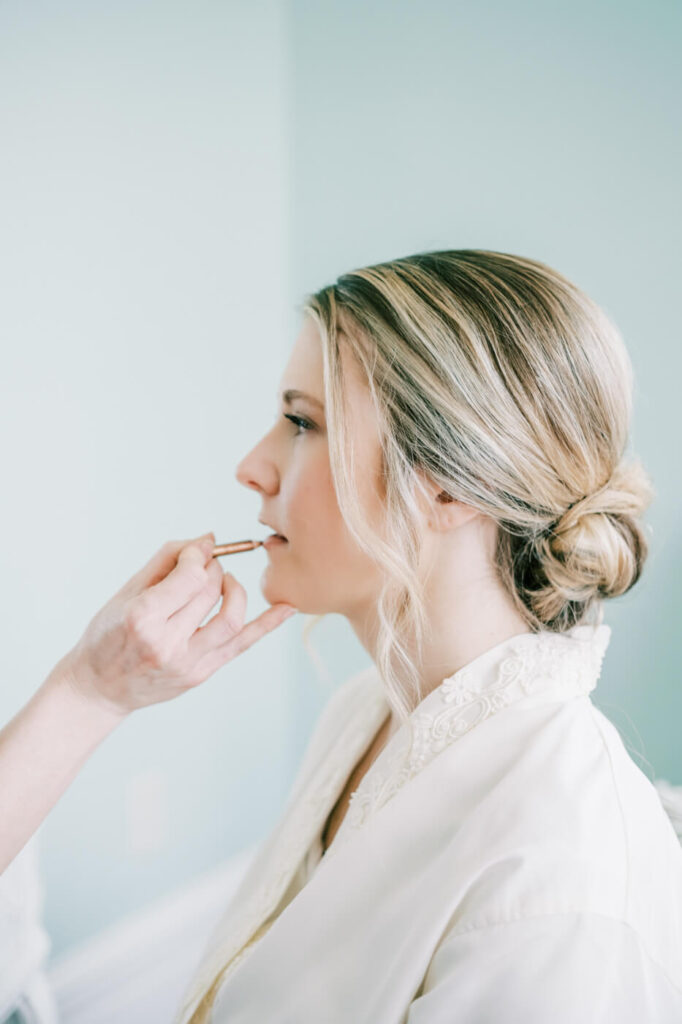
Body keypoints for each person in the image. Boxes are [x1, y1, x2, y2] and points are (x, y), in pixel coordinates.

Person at [170, 249, 681, 1022]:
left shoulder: (559, 877)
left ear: (446, 483)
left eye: (302, 422)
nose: (252, 467)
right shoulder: (363, 711)